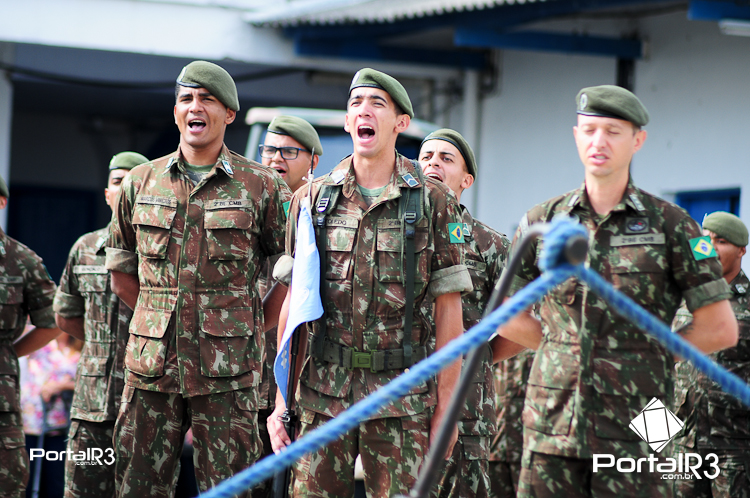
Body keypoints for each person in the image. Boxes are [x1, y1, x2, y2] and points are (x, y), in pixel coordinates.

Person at [497, 85, 739, 497]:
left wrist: (650, 354)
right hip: (552, 420)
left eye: (613, 131)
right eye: (590, 130)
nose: (599, 142)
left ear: (637, 140)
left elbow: (720, 328)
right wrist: (563, 349)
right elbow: (505, 314)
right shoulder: (543, 221)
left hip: (644, 419)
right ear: (576, 136)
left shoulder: (674, 225)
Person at [268, 68, 471, 498]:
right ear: (347, 121)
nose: (365, 111)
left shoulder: (433, 202)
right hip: (322, 396)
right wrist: (282, 401)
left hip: (402, 399)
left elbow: (449, 311)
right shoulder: (311, 200)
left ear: (400, 123)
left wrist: (447, 410)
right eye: (356, 104)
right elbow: (293, 305)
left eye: (377, 104)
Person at [105, 60, 291, 498]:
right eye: (187, 99)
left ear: (229, 114)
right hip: (152, 369)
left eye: (208, 99)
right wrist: (158, 321)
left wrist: (248, 325)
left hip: (229, 372)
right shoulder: (140, 182)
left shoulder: (261, 186)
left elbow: (294, 270)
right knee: (138, 485)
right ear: (176, 112)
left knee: (231, 488)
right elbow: (121, 273)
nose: (195, 107)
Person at [416, 128, 512, 498]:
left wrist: (479, 358)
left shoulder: (490, 244)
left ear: (466, 180)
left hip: (466, 405)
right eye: (426, 157)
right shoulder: (395, 234)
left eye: (446, 158)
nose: (433, 164)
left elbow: (522, 324)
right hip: (402, 400)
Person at [53, 151, 147, 498]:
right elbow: (65, 315)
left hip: (146, 403)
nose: (124, 189)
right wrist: (99, 343)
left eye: (134, 182)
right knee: (83, 490)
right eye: (118, 182)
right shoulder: (86, 248)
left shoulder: (164, 251)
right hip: (92, 403)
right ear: (107, 194)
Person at [254, 115, 324, 498]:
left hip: (294, 378)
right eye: (269, 149)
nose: (276, 158)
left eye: (288, 151)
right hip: (243, 375)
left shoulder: (318, 214)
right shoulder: (245, 204)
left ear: (313, 161)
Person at [671, 211, 750, 497]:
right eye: (705, 240)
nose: (711, 248)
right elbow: (656, 371)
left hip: (734, 451)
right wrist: (655, 442)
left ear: (741, 250)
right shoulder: (678, 300)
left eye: (721, 241)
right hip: (681, 448)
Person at [0, 172, 61, 498]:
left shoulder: (22, 261)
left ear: (1, 202)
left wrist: (10, 353)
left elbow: (53, 322)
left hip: (1, 400)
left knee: (8, 483)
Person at [20, 330, 80, 498]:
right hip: (31, 422)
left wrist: (61, 386)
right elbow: (17, 337)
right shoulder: (40, 346)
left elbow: (89, 384)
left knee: (55, 480)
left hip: (60, 425)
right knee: (28, 478)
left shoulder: (78, 351)